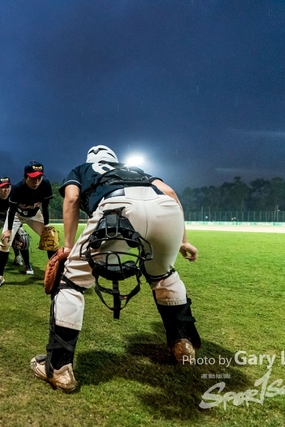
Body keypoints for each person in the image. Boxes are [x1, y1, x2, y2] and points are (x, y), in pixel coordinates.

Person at [30, 145, 201, 393]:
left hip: (116, 208)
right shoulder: (132, 168)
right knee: (164, 275)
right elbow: (171, 193)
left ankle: (58, 368)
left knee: (71, 283)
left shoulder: (82, 169)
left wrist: (68, 247)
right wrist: (183, 240)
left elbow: (72, 199)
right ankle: (182, 343)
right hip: (165, 209)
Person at [0, 161, 55, 288]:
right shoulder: (18, 188)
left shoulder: (45, 185)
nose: (36, 181)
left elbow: (46, 207)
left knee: (50, 239)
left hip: (35, 215)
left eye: (39, 177)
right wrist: (8, 230)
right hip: (16, 215)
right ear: (25, 177)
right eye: (33, 178)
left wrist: (46, 226)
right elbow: (12, 209)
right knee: (5, 241)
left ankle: (55, 273)